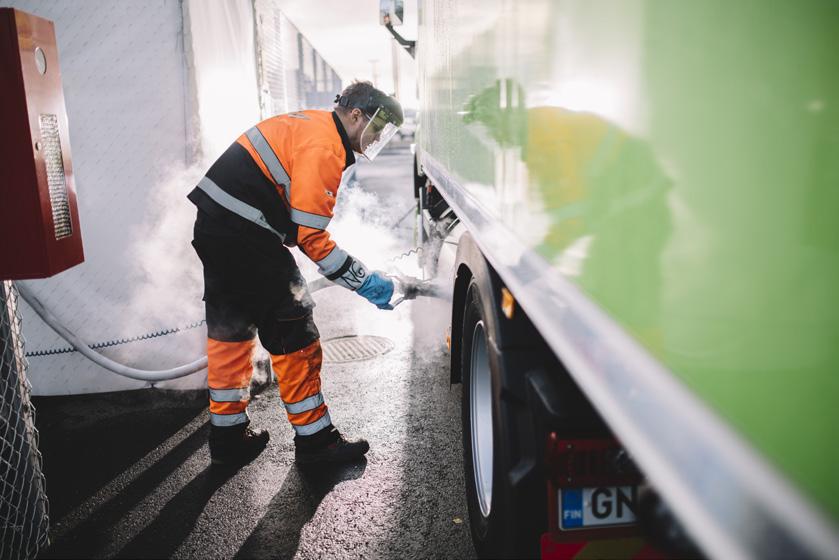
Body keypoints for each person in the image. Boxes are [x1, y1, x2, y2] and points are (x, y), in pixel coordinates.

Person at [187, 81, 404, 466]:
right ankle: (317, 442)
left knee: (231, 332)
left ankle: (228, 437)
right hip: (245, 233)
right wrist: (367, 284)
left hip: (215, 228)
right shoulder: (327, 147)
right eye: (377, 127)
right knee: (294, 327)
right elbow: (312, 239)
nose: (376, 139)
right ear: (356, 115)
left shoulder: (312, 125)